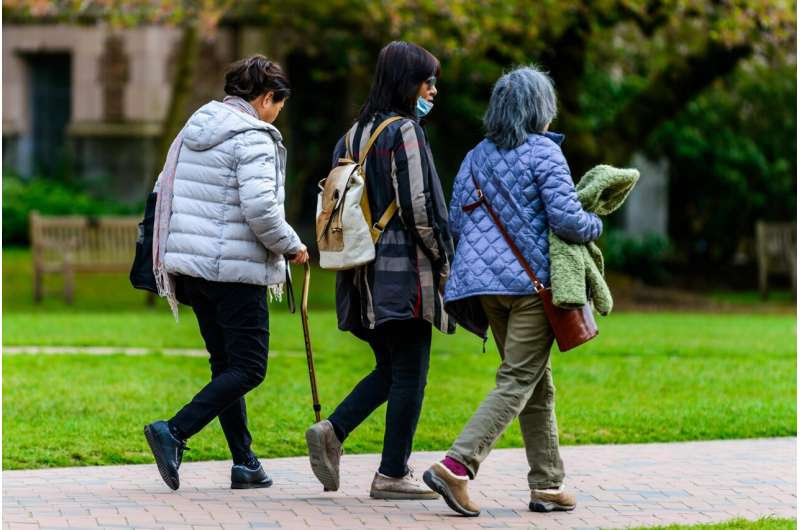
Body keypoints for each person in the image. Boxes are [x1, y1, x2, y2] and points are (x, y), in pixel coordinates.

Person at [421, 66, 603, 516]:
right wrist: (595, 223)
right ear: (541, 108)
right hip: (531, 288)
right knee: (519, 378)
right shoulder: (545, 153)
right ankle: (457, 465)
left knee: (535, 383)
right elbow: (567, 220)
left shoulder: (475, 156)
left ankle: (548, 484)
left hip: (483, 288)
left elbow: (459, 224)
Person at [144, 55, 309, 491]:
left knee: (227, 368)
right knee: (250, 368)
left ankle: (245, 463)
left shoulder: (195, 128)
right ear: (266, 97)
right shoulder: (253, 136)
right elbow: (261, 208)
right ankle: (174, 431)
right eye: (278, 104)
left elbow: (165, 189)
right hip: (234, 272)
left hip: (193, 270)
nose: (277, 113)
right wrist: (292, 245)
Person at [305, 41, 454, 500]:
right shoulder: (404, 131)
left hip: (359, 272)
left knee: (391, 367)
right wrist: (444, 259)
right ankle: (391, 473)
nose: (433, 90)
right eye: (427, 81)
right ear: (407, 84)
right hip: (402, 272)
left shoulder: (350, 136)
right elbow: (420, 208)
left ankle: (333, 430)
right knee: (411, 371)